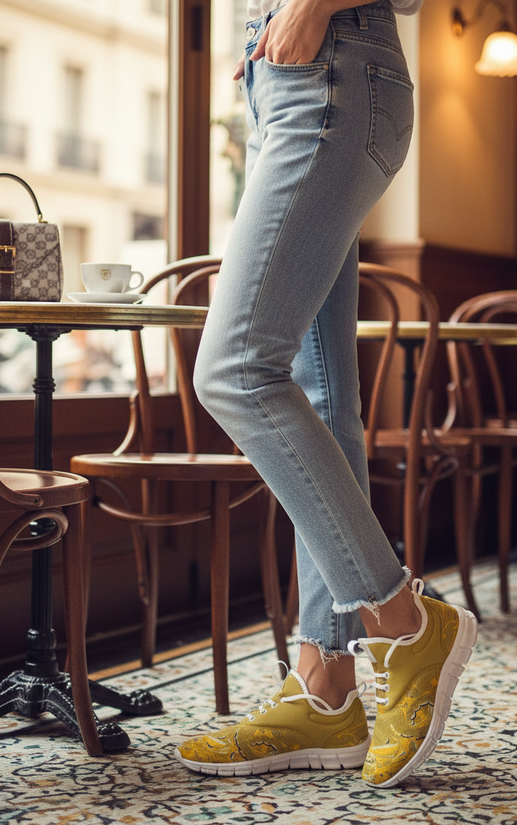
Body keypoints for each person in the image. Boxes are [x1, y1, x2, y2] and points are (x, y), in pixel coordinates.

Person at [174, 0, 478, 787]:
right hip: (290, 78)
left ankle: (402, 619)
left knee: (235, 369)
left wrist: (309, 6)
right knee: (323, 394)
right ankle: (326, 684)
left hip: (333, 66)